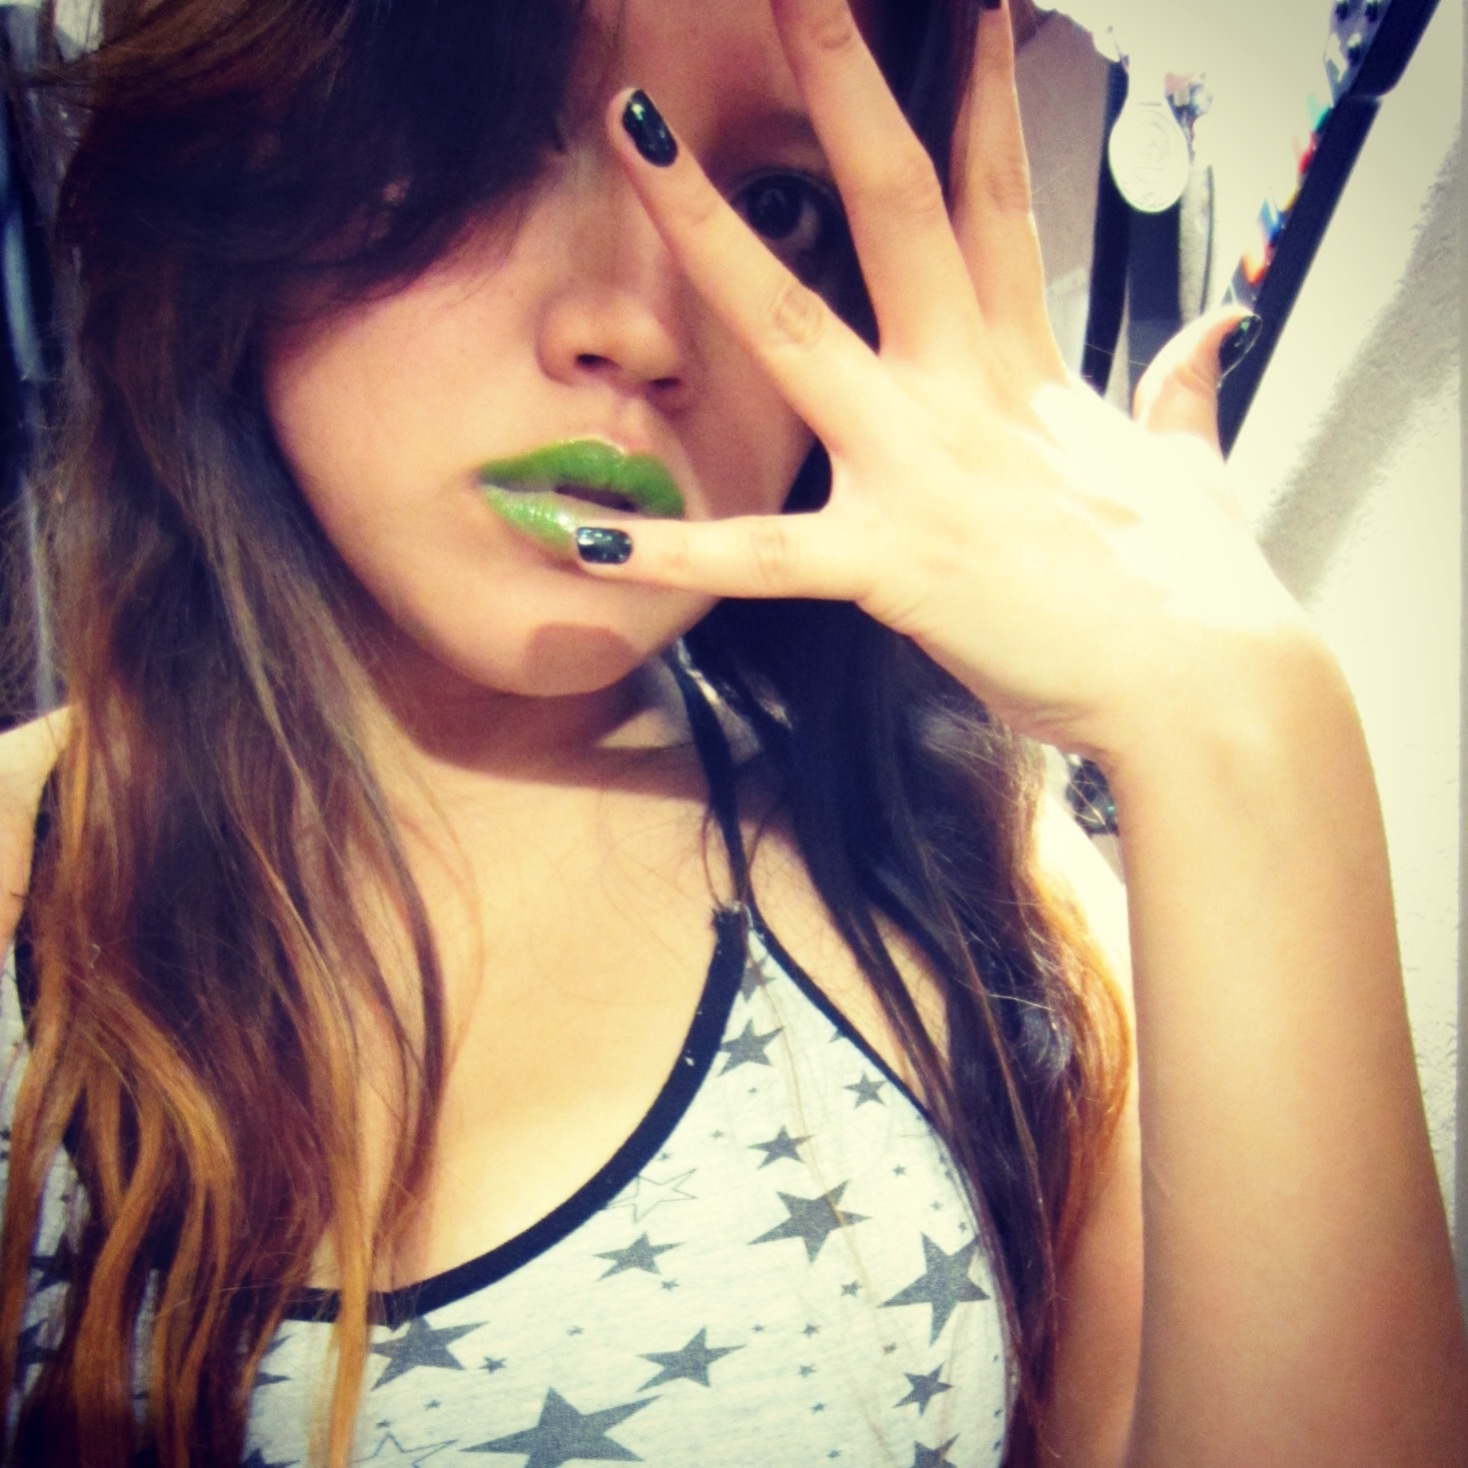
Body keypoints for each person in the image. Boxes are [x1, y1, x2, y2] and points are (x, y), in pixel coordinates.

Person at [0, 0, 1464, 1463]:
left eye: (773, 205)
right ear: (246, 144)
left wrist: (1238, 724)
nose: (638, 323)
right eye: (492, 135)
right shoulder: (24, 890)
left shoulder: (966, 879)